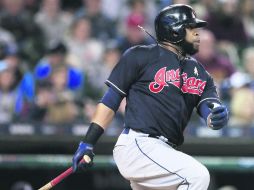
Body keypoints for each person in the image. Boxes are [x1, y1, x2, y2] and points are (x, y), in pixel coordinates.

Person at [72, 4, 229, 190]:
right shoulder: (140, 56)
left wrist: (215, 115)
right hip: (138, 145)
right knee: (197, 176)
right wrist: (88, 141)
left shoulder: (200, 72)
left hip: (164, 152)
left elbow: (208, 105)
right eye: (191, 28)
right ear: (175, 31)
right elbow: (110, 101)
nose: (198, 34)